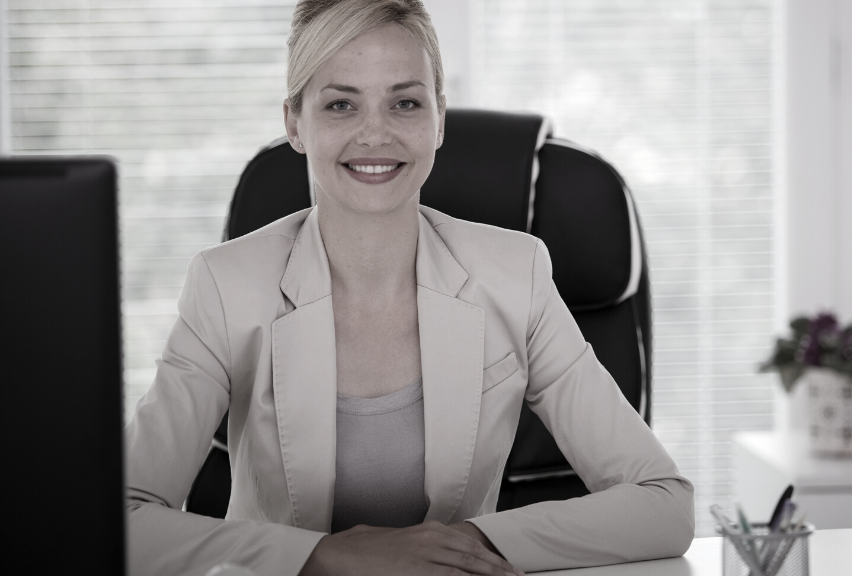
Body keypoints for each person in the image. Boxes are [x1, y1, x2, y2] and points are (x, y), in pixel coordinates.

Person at [124, 1, 695, 575]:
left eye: (405, 103)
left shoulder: (515, 275)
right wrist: (324, 556)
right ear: (295, 123)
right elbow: (121, 519)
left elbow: (664, 504)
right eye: (341, 104)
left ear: (439, 119)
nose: (376, 133)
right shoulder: (226, 286)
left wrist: (468, 544)